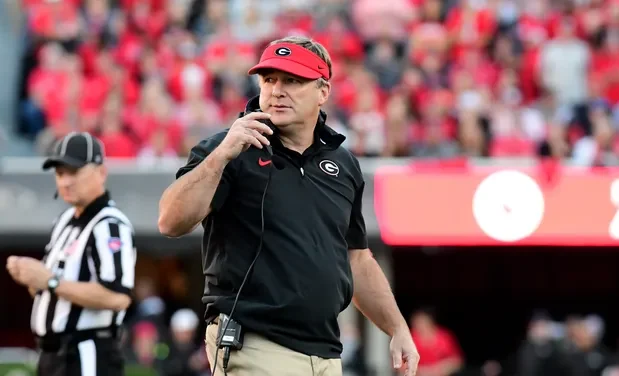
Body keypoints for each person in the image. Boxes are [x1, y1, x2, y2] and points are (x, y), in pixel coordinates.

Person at [158, 36, 419, 376]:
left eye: (292, 81)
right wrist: (221, 155)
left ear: (323, 91)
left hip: (326, 350)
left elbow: (356, 258)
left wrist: (397, 328)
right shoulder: (231, 148)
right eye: (269, 80)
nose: (277, 90)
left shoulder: (342, 164)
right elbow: (170, 221)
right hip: (255, 343)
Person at [6, 132, 137, 376]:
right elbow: (49, 288)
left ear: (101, 172)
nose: (65, 181)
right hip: (52, 354)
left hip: (87, 353)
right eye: (60, 173)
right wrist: (31, 276)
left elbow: (118, 297)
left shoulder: (109, 225)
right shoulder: (64, 220)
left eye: (74, 171)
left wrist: (51, 281)